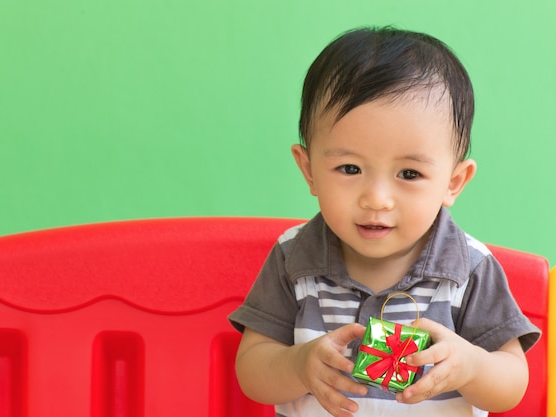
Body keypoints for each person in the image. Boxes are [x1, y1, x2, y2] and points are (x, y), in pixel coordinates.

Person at [228, 26, 540, 417]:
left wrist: (471, 366)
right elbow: (252, 372)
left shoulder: (469, 268)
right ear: (308, 170)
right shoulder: (293, 259)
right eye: (349, 167)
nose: (376, 198)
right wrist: (299, 364)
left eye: (408, 174)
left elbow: (512, 384)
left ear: (453, 182)